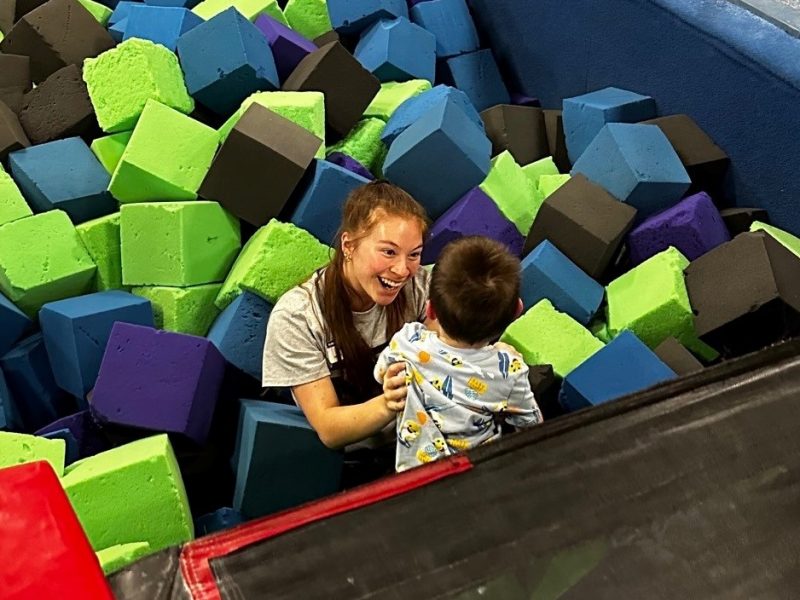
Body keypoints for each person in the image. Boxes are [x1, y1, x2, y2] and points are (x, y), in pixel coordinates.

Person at [261, 181, 430, 483]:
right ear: (348, 245)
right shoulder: (298, 316)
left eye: (414, 254)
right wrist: (390, 401)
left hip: (421, 444)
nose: (403, 270)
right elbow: (329, 428)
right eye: (389, 252)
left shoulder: (420, 287)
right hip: (349, 467)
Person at [373, 236, 543, 472]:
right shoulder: (509, 370)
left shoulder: (407, 341)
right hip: (478, 471)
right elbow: (531, 424)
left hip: (414, 474)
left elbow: (380, 373)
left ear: (430, 309)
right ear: (517, 310)